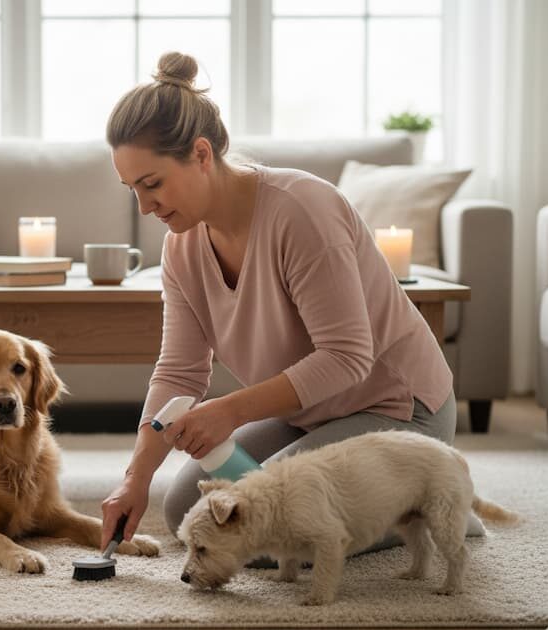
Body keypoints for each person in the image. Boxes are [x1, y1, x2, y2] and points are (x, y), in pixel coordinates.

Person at [99, 51, 482, 555]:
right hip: (312, 412)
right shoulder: (182, 245)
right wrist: (136, 477)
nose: (144, 206)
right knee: (183, 511)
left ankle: (428, 498)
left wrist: (228, 412)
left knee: (262, 526)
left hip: (400, 411)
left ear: (201, 154)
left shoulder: (301, 212)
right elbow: (178, 372)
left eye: (152, 184)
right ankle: (395, 500)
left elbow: (347, 357)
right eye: (132, 190)